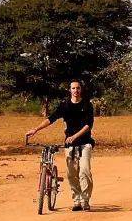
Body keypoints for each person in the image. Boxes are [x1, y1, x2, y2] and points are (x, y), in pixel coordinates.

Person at [26, 80, 95, 212]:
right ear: (70, 90)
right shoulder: (65, 105)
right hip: (70, 145)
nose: (76, 90)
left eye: (78, 88)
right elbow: (51, 118)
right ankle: (77, 201)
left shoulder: (87, 105)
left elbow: (88, 125)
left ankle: (85, 200)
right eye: (73, 88)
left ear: (81, 89)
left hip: (85, 143)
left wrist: (75, 136)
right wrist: (36, 129)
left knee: (84, 171)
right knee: (71, 174)